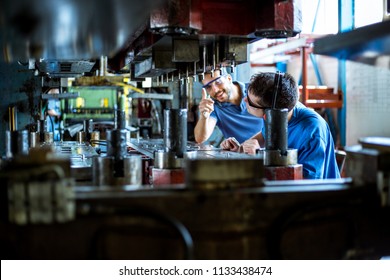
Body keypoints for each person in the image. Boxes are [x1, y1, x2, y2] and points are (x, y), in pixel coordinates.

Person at [221, 72, 340, 179]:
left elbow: (305, 183)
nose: (245, 100)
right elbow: (265, 135)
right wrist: (240, 148)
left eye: (251, 101)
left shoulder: (312, 131)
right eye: (247, 95)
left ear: (269, 112)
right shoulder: (280, 110)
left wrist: (260, 158)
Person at [194, 68, 264, 144]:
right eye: (208, 87)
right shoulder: (213, 106)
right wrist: (204, 116)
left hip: (268, 150)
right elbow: (200, 139)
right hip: (240, 153)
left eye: (218, 82)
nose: (215, 90)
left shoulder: (254, 90)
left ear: (229, 79)